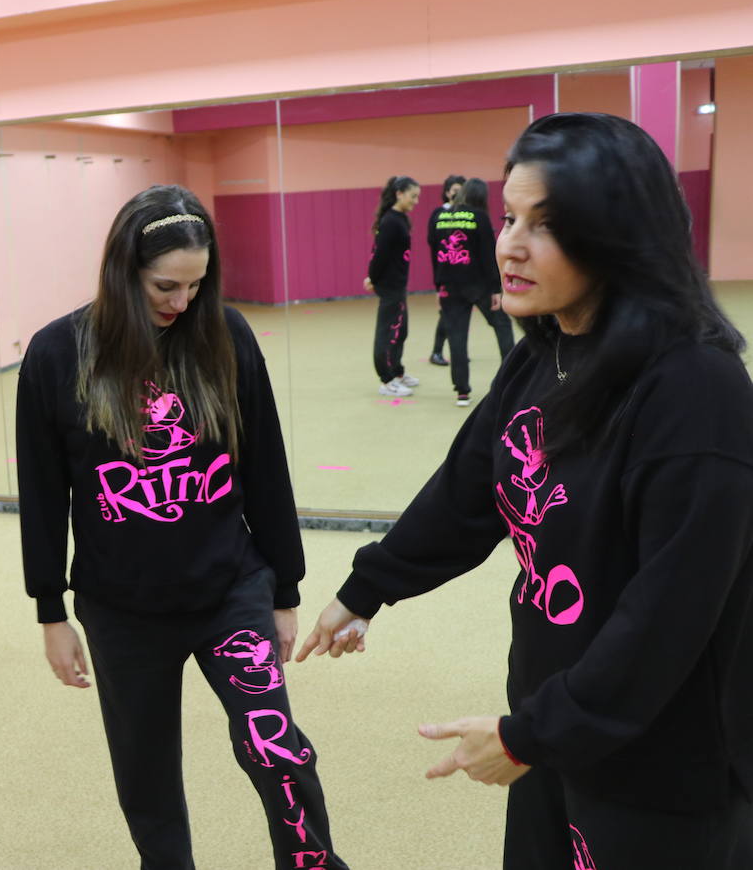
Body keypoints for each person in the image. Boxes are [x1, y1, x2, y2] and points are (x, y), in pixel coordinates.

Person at [298, 113, 753, 869]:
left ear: (617, 235)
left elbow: (667, 617)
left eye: (544, 225)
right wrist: (367, 588)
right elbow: (471, 486)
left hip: (662, 761)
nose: (507, 243)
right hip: (556, 724)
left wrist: (529, 736)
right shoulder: (548, 353)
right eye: (508, 216)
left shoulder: (695, 394)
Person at [17, 184, 347, 870]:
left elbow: (265, 468)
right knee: (146, 777)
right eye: (166, 285)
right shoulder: (57, 354)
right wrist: (50, 609)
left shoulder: (225, 337)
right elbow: (43, 496)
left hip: (230, 589)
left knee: (277, 748)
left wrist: (284, 591)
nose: (182, 302)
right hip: (121, 610)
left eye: (197, 285)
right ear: (122, 271)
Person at [431, 177, 516, 406]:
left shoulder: (437, 216)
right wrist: (496, 289)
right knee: (502, 326)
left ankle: (462, 391)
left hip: (449, 285)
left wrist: (438, 287)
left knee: (456, 337)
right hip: (479, 286)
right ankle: (512, 380)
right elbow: (489, 255)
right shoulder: (479, 217)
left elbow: (433, 254)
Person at [364, 176, 422, 397]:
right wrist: (372, 278)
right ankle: (386, 379)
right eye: (413, 196)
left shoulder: (400, 219)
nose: (415, 201)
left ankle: (397, 372)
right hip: (389, 286)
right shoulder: (390, 221)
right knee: (387, 333)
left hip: (398, 284)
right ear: (399, 193)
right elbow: (379, 255)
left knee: (401, 331)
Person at [428, 174, 466, 366]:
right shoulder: (438, 214)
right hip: (447, 271)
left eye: (462, 191)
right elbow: (434, 245)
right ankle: (436, 351)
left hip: (464, 273)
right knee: (447, 313)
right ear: (447, 193)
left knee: (460, 315)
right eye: (455, 191)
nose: (458, 195)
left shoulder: (468, 215)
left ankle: (458, 350)